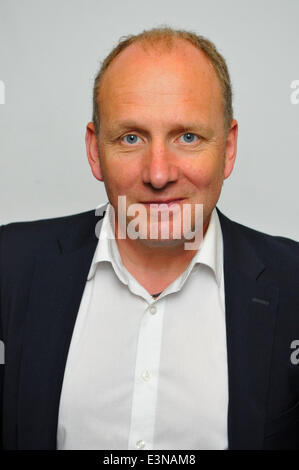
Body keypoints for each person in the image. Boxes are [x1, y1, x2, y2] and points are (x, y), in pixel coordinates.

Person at [0, 26, 299, 451]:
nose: (159, 174)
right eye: (131, 138)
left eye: (188, 137)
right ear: (94, 151)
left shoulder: (293, 284)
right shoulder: (9, 267)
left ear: (229, 148)